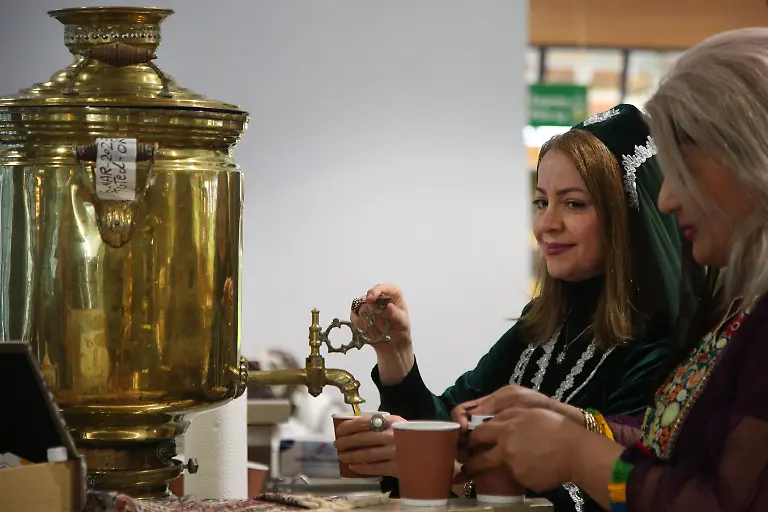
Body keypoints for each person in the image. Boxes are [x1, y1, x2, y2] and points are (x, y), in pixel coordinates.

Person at [462, 28, 768, 511]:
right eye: (541, 202)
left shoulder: (672, 331)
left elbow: (715, 498)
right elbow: (672, 449)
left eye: (684, 169)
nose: (668, 199)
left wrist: (575, 449)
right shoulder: (741, 310)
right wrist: (569, 422)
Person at [334, 103, 696, 511]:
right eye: (542, 202)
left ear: (626, 217)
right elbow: (452, 419)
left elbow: (613, 493)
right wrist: (396, 352)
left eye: (573, 203)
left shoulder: (660, 342)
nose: (547, 224)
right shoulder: (540, 324)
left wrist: (448, 471)